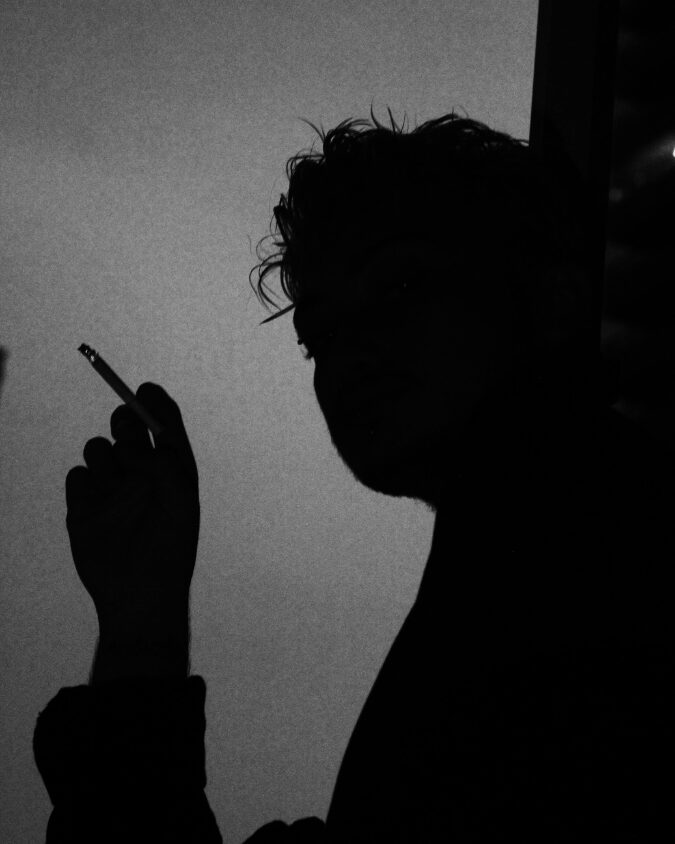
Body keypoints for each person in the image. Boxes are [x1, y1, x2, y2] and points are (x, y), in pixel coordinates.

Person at [34, 107, 675, 842]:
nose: (351, 355)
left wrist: (140, 635)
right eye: (321, 334)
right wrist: (141, 619)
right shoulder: (531, 561)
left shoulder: (588, 577)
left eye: (400, 288)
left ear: (554, 301)